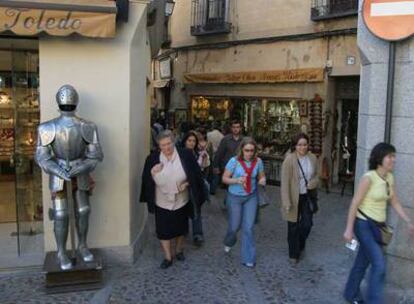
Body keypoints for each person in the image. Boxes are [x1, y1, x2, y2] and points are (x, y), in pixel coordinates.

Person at [343, 143, 414, 304]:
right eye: (390, 156)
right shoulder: (369, 178)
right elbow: (354, 203)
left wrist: (409, 221)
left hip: (378, 228)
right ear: (379, 158)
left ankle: (350, 293)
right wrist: (348, 229)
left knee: (362, 261)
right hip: (363, 225)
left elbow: (394, 201)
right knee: (379, 264)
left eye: (394, 156)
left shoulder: (389, 177)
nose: (393, 160)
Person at [140, 130, 206, 269]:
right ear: (159, 146)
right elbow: (146, 180)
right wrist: (153, 174)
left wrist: (187, 184)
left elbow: (195, 175)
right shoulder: (152, 158)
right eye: (163, 145)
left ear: (173, 141)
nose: (167, 147)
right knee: (163, 229)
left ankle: (179, 250)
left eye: (169, 143)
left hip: (181, 199)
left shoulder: (186, 155)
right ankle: (168, 257)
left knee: (181, 228)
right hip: (162, 200)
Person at [222, 137, 266, 268]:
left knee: (248, 228)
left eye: (252, 150)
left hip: (250, 197)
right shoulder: (234, 162)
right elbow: (224, 178)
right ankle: (229, 242)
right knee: (234, 226)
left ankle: (248, 258)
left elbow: (261, 176)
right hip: (234, 197)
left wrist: (262, 180)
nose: (249, 153)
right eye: (247, 150)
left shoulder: (258, 162)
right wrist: (236, 180)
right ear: (242, 149)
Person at [280, 133, 319, 265]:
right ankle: (293, 253)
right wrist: (286, 202)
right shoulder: (289, 160)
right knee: (293, 226)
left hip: (307, 196)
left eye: (305, 144)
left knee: (307, 224)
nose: (302, 147)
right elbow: (284, 183)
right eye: (300, 145)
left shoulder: (312, 158)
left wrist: (313, 183)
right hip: (293, 197)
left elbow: (316, 176)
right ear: (295, 146)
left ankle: (300, 243)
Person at [181, 131, 207, 246]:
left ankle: (197, 234)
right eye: (189, 141)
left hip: (196, 185)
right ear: (185, 141)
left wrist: (204, 158)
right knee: (183, 208)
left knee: (196, 209)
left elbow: (203, 168)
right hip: (184, 184)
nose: (191, 143)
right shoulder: (180, 154)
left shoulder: (198, 154)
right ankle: (183, 230)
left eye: (193, 141)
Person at [213, 119, 243, 197]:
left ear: (240, 128)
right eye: (234, 127)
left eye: (237, 127)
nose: (236, 129)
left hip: (241, 168)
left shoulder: (243, 140)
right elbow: (219, 153)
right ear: (231, 128)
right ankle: (231, 203)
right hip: (227, 168)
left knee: (239, 187)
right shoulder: (226, 139)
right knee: (230, 188)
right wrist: (216, 166)